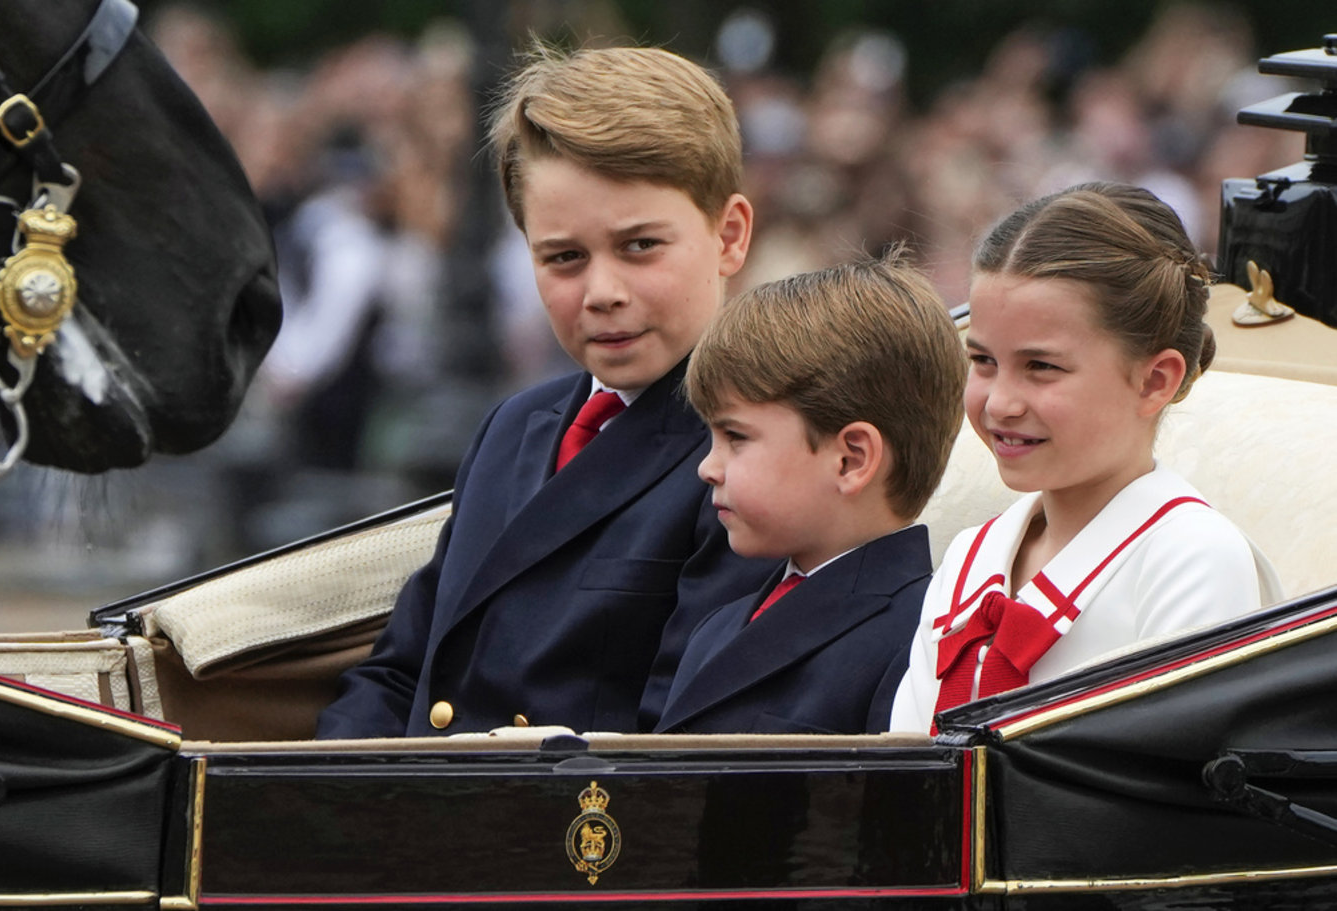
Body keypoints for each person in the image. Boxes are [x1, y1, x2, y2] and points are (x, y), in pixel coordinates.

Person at [316, 43, 774, 739]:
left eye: (640, 246)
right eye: (564, 257)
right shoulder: (516, 424)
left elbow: (676, 746)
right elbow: (403, 668)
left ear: (730, 236)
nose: (602, 293)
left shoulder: (748, 448)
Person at [890, 182, 1283, 733]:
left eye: (1042, 367)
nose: (1000, 402)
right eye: (982, 360)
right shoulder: (968, 559)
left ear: (1154, 380)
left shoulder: (1191, 559)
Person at [655, 257, 966, 735]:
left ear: (851, 460)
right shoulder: (717, 627)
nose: (707, 467)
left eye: (736, 437)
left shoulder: (922, 642)